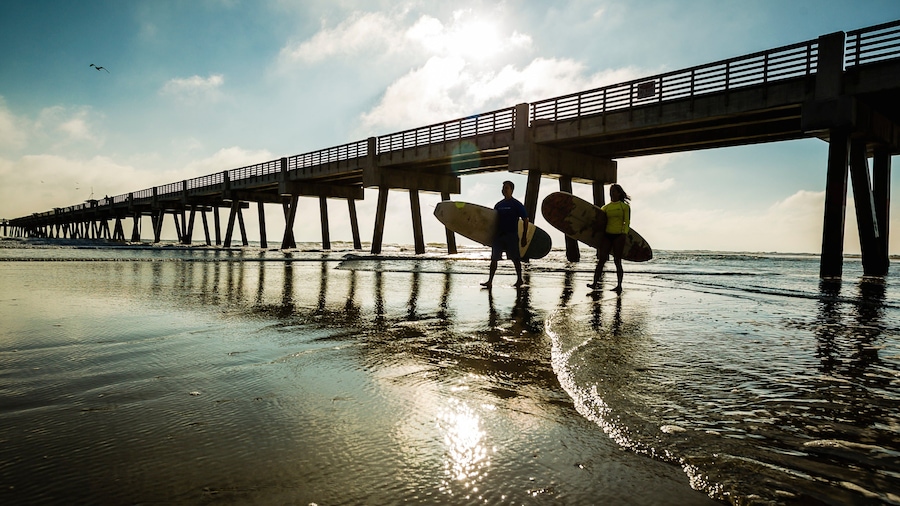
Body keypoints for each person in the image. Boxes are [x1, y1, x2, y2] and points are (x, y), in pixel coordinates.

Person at [481, 180, 529, 288]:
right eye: (503, 188)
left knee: (515, 259)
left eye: (506, 188)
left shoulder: (516, 204)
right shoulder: (498, 205)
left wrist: (524, 236)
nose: (504, 190)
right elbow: (493, 222)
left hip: (511, 235)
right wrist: (486, 237)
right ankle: (490, 281)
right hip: (499, 235)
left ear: (512, 190)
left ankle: (519, 279)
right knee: (494, 259)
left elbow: (525, 220)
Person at [588, 184, 631, 292]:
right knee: (601, 260)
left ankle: (619, 285)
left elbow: (627, 222)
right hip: (607, 235)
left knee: (617, 261)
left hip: (619, 236)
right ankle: (594, 283)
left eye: (614, 191)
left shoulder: (624, 207)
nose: (612, 193)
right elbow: (601, 223)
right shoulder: (605, 207)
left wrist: (624, 234)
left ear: (619, 193)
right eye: (611, 191)